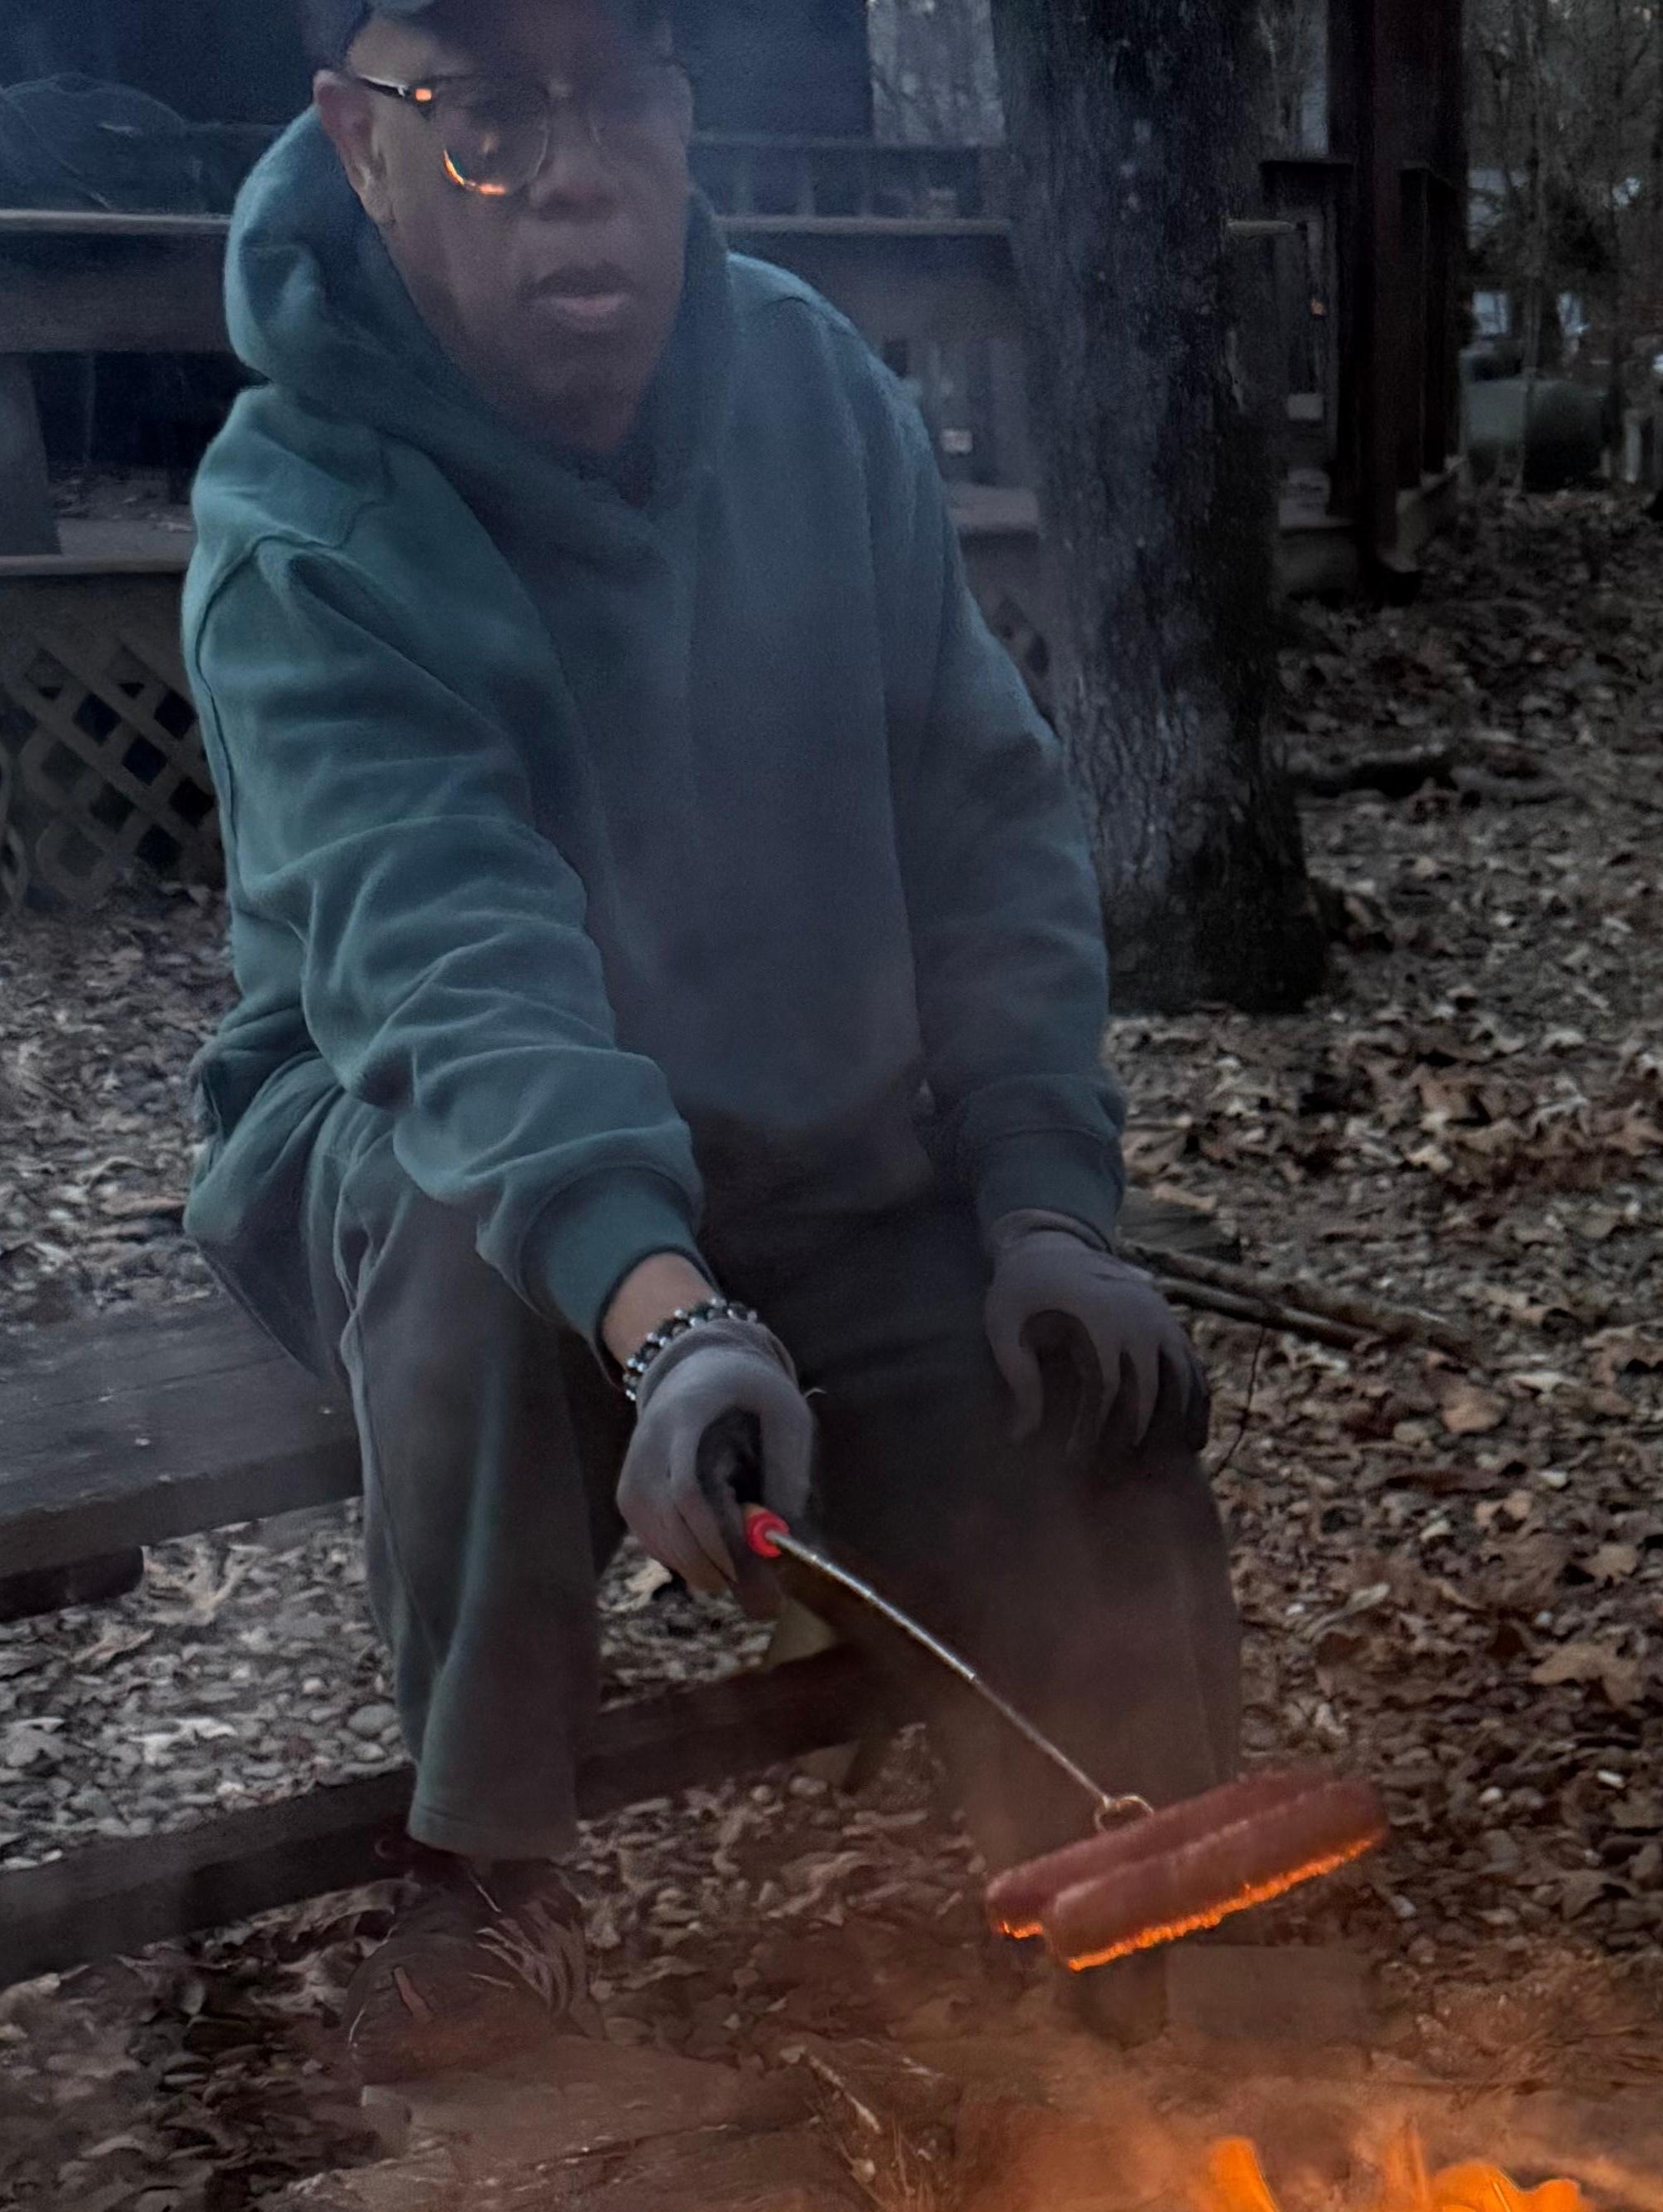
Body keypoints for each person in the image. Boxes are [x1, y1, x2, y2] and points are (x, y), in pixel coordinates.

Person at [183, 0, 1234, 2074]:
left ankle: (1144, 1944)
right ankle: (490, 1885)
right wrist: (665, 1312)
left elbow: (983, 823)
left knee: (1082, 1410)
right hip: (427, 1131)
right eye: (485, 114)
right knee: (466, 1248)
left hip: (801, 1133)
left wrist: (1045, 1200)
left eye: (619, 100)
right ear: (360, 139)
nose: (571, 170)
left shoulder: (815, 393)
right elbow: (444, 962)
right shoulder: (299, 516)